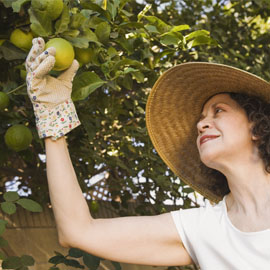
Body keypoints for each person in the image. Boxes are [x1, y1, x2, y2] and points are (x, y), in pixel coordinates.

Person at [25, 37, 270, 269]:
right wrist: (52, 117)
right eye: (201, 118)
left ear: (257, 126)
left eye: (219, 111)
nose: (201, 124)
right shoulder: (205, 229)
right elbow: (78, 231)